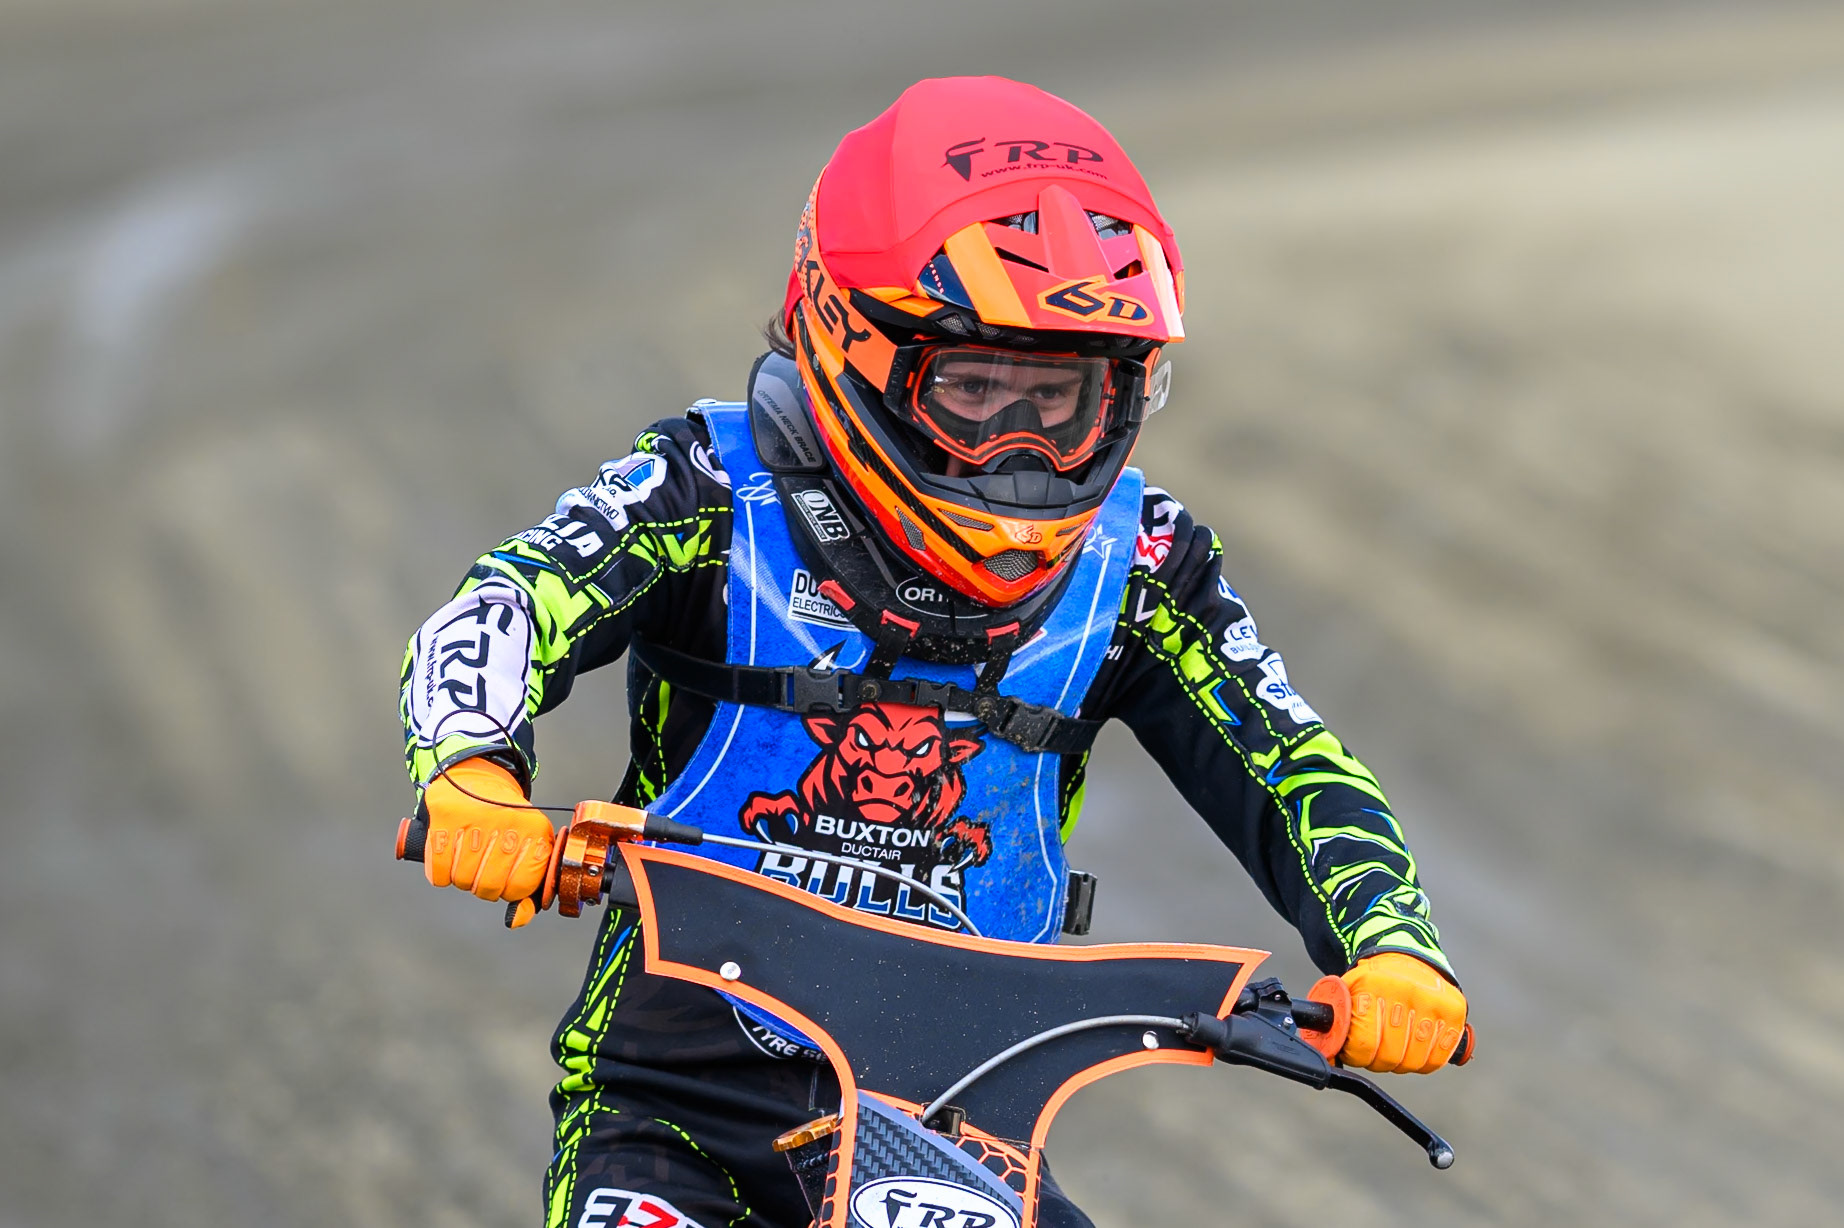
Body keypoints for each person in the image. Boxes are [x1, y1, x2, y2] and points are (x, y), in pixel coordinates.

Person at [400, 75, 1469, 1228]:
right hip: (674, 1105)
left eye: (1058, 400)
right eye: (971, 388)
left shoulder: (1140, 566)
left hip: (959, 1129)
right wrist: (470, 772)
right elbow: (504, 604)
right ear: (849, 342)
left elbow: (1288, 761)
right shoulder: (706, 492)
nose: (1020, 454)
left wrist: (1394, 950)